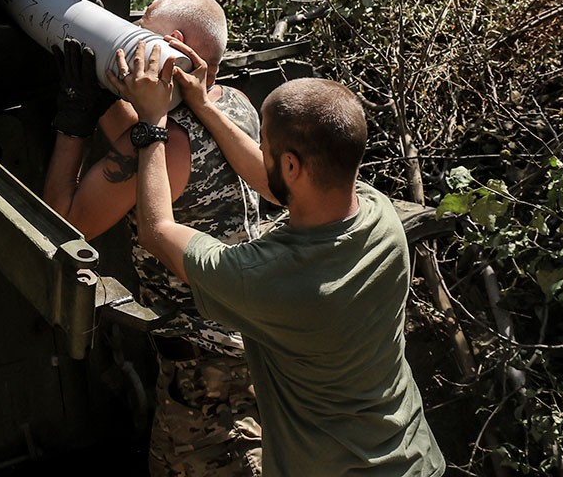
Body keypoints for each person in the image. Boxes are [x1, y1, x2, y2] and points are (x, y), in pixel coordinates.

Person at [110, 38, 446, 476]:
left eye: (263, 142)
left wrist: (152, 120)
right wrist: (206, 107)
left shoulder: (267, 278)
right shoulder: (377, 214)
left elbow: (158, 232)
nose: (260, 151)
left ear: (290, 165)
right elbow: (276, 185)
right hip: (414, 458)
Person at [42, 0, 264, 476]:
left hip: (206, 382)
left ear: (173, 44)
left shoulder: (175, 142)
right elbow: (146, 138)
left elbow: (65, 224)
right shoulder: (237, 105)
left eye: (143, 31)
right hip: (243, 345)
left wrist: (74, 120)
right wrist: (108, 90)